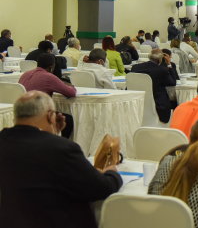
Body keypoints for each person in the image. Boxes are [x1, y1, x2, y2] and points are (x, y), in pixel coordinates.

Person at [0, 91, 123, 228]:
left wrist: (53, 134)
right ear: (49, 116)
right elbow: (102, 188)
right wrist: (112, 173)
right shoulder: (62, 149)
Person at [18, 54, 76, 138]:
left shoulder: (25, 74)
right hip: (38, 113)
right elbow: (71, 93)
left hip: (22, 112)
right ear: (51, 67)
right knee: (68, 120)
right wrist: (70, 86)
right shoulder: (49, 77)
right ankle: (59, 145)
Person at [131, 49, 178, 123]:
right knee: (176, 103)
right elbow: (172, 82)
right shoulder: (162, 70)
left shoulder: (135, 67)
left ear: (149, 56)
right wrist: (169, 63)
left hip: (138, 102)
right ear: (160, 60)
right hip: (158, 104)